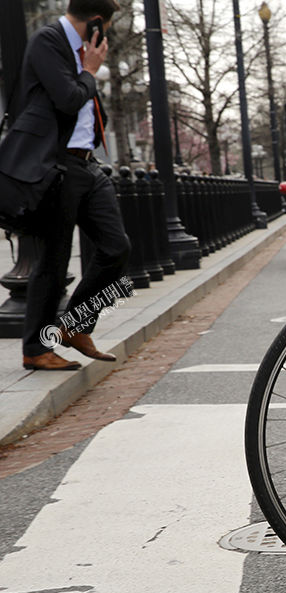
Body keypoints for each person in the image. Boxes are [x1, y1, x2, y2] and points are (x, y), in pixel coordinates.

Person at [0, 0, 130, 371]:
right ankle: (36, 349)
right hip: (56, 165)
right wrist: (90, 69)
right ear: (96, 23)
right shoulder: (48, 40)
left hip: (87, 164)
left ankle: (74, 325)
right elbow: (69, 98)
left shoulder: (75, 48)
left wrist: (87, 68)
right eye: (105, 27)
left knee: (116, 248)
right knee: (53, 262)